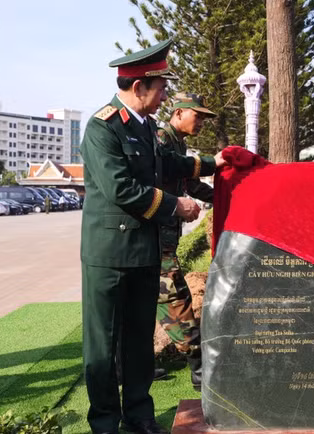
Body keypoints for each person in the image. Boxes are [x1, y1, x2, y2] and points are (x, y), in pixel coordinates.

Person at [80, 39, 225, 434]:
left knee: (140, 340)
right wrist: (176, 206)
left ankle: (140, 416)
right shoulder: (102, 127)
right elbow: (121, 188)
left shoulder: (144, 128)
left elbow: (171, 162)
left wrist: (216, 163)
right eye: (160, 87)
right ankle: (106, 422)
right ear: (139, 86)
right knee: (104, 345)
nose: (164, 96)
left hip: (144, 252)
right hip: (109, 254)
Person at [155, 92, 217, 390]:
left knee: (142, 303)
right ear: (178, 113)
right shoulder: (161, 140)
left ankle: (128, 367)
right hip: (152, 239)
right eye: (198, 114)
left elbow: (190, 184)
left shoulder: (177, 144)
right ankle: (199, 369)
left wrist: (226, 197)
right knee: (176, 299)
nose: (202, 121)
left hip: (164, 238)